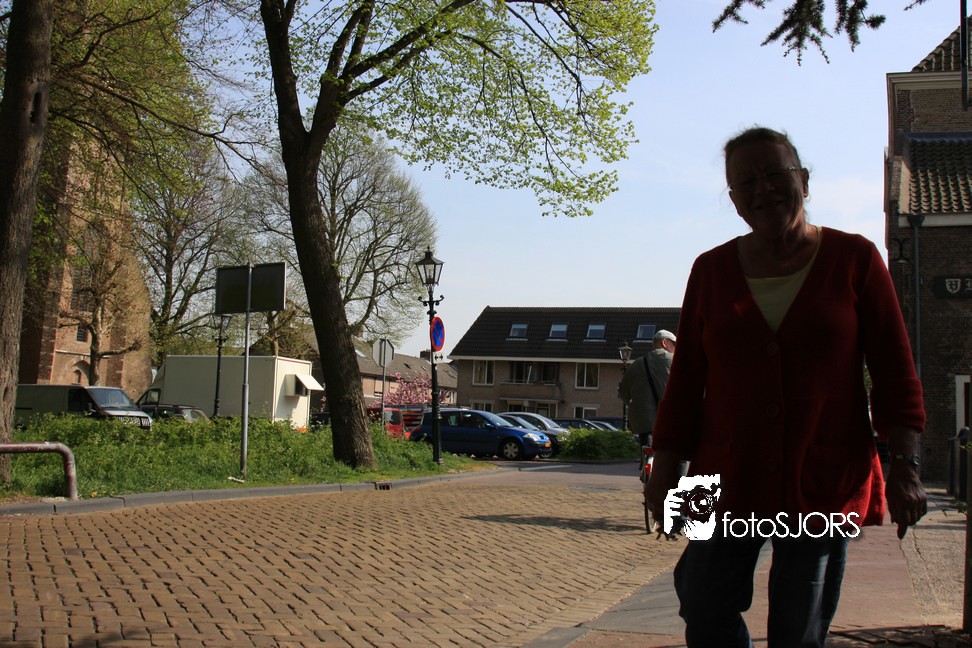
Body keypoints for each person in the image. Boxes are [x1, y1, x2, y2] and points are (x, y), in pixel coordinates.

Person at [644, 126, 927, 648]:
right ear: (734, 200)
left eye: (776, 174)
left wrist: (906, 467)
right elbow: (684, 384)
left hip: (824, 474)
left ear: (804, 181)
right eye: (746, 182)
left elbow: (895, 370)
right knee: (699, 597)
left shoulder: (856, 259)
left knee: (800, 625)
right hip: (717, 475)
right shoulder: (710, 269)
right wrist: (664, 472)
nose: (763, 189)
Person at [619, 328, 676, 447]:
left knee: (647, 449)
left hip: (644, 423)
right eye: (674, 344)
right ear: (664, 343)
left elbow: (623, 392)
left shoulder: (637, 364)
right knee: (675, 453)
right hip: (670, 422)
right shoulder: (675, 361)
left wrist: (633, 404)